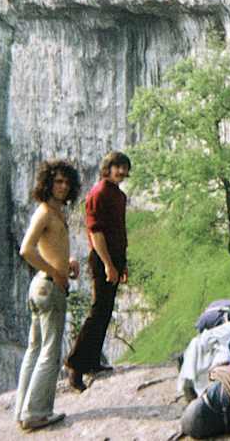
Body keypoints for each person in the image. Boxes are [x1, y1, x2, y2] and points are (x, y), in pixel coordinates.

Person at [13, 159, 81, 431]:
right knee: (50, 353)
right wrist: (56, 272)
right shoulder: (44, 212)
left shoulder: (55, 212)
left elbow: (52, 247)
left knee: (34, 349)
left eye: (66, 182)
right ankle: (36, 413)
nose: (62, 187)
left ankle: (22, 411)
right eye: (57, 181)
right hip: (48, 287)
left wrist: (68, 262)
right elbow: (26, 250)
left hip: (44, 284)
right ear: (47, 183)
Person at [65, 150, 132, 391]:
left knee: (104, 312)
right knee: (97, 312)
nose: (122, 172)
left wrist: (121, 264)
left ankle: (92, 362)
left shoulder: (119, 195)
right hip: (102, 258)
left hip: (115, 257)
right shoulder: (98, 193)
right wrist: (108, 264)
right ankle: (75, 366)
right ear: (107, 168)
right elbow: (96, 232)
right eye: (118, 167)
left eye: (125, 168)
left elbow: (119, 232)